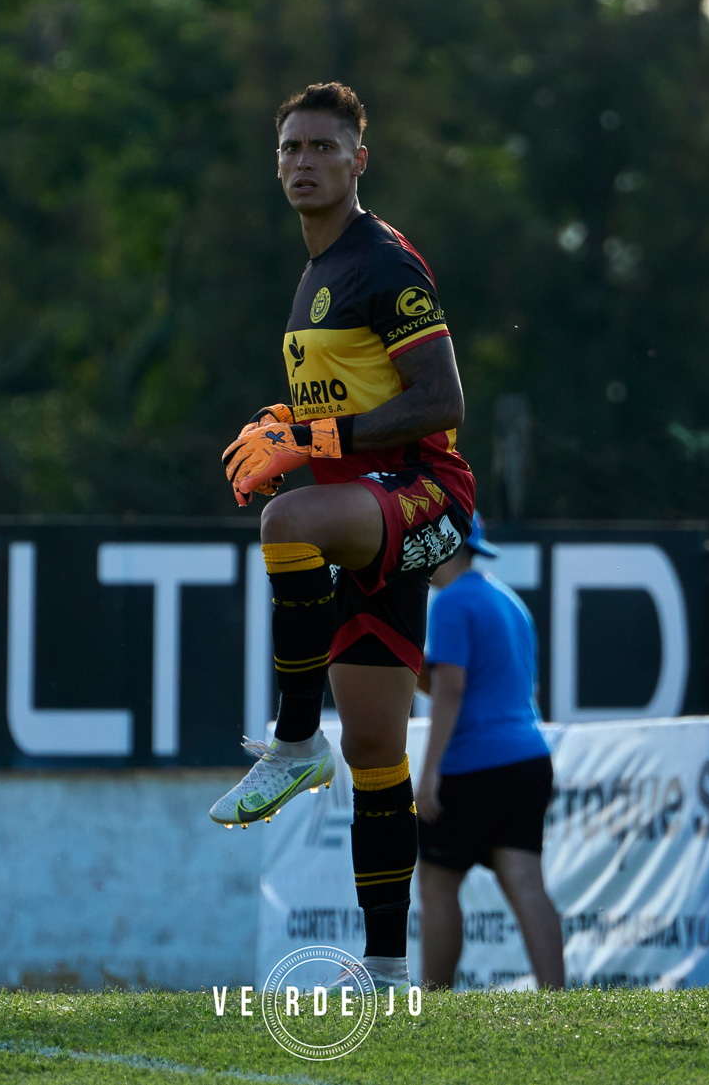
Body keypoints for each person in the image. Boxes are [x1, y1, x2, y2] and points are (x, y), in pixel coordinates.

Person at [213, 82, 475, 997]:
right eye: (290, 148)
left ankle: (293, 743)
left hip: (424, 494)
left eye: (323, 147)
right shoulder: (316, 273)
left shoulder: (381, 262)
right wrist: (286, 422)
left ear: (359, 161)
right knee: (376, 749)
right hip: (364, 507)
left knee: (285, 521)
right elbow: (350, 398)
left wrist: (311, 440)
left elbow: (441, 401)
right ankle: (389, 968)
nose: (303, 162)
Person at [415, 514, 564, 990]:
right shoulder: (507, 599)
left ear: (442, 543)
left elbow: (452, 690)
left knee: (437, 884)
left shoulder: (451, 602)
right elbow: (471, 683)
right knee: (525, 882)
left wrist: (430, 772)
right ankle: (558, 1002)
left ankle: (434, 1004)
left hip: (474, 765)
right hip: (528, 760)